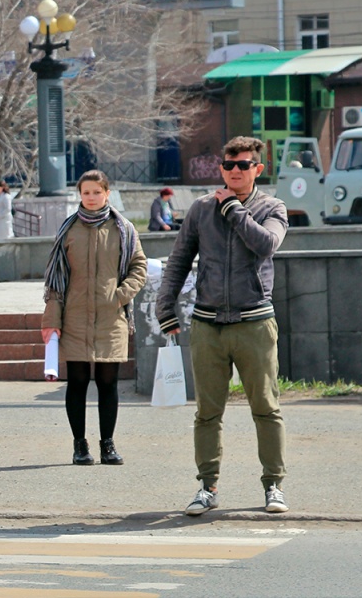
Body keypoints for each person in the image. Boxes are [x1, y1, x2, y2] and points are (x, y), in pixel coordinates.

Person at [156, 135, 289, 516]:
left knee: (266, 407)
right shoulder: (200, 209)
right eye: (228, 165)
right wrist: (165, 308)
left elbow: (266, 245)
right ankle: (207, 487)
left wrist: (233, 209)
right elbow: (178, 261)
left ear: (257, 169)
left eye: (243, 165)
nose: (234, 171)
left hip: (254, 323)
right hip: (208, 325)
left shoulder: (272, 207)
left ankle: (273, 485)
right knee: (207, 413)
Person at [42, 170, 146, 466]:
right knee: (76, 382)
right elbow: (55, 278)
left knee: (108, 382)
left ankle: (108, 444)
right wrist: (52, 319)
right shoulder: (69, 228)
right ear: (80, 194)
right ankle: (79, 445)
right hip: (73, 316)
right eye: (86, 192)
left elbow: (139, 266)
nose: (91, 198)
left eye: (96, 192)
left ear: (107, 193)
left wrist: (121, 295)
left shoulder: (123, 228)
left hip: (111, 316)